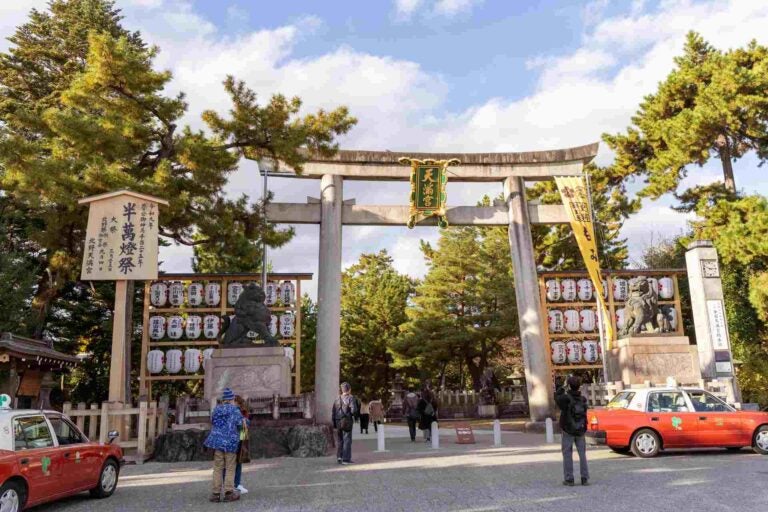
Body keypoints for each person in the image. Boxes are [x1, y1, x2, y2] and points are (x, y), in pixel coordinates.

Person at [204, 388, 243, 502]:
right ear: (231, 399)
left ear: (223, 399)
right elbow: (240, 424)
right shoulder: (235, 410)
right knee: (230, 467)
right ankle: (228, 492)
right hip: (230, 442)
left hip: (217, 442)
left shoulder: (216, 410)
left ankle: (215, 494)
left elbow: (212, 422)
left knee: (217, 467)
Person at [556, 375, 590, 486]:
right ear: (579, 386)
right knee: (582, 454)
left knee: (567, 454)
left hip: (568, 429)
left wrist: (563, 387)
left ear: (569, 386)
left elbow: (556, 397)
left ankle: (569, 478)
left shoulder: (565, 399)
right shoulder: (583, 399)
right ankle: (584, 477)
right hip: (580, 429)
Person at [332, 382, 359, 464]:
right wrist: (354, 416)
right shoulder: (351, 398)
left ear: (342, 390)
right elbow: (354, 410)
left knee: (340, 439)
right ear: (349, 389)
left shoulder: (337, 399)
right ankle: (346, 459)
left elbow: (333, 412)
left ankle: (339, 457)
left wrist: (334, 424)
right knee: (347, 439)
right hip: (346, 420)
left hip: (337, 421)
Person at [233, 395, 250, 495]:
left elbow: (244, 427)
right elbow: (244, 426)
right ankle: (234, 484)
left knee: (237, 462)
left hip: (237, 439)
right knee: (233, 463)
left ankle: (236, 484)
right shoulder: (238, 412)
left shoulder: (241, 412)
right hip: (235, 439)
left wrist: (243, 440)